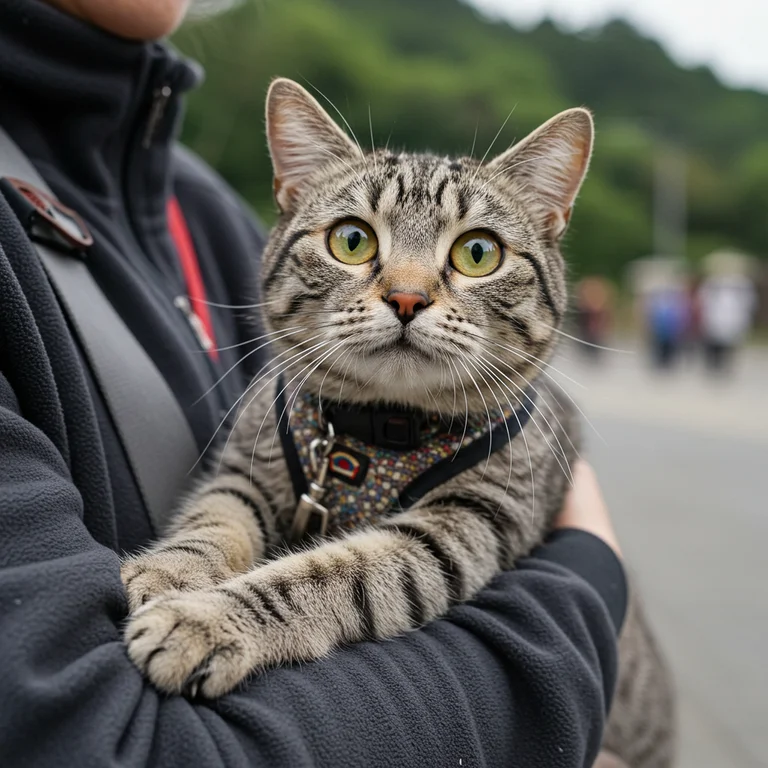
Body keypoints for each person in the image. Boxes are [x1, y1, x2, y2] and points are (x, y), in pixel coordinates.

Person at [0, 1, 627, 766]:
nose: (407, 293)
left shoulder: (202, 209)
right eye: (354, 241)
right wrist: (588, 576)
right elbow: (243, 492)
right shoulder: (287, 396)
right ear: (290, 198)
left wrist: (257, 612)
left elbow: (441, 552)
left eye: (476, 254)